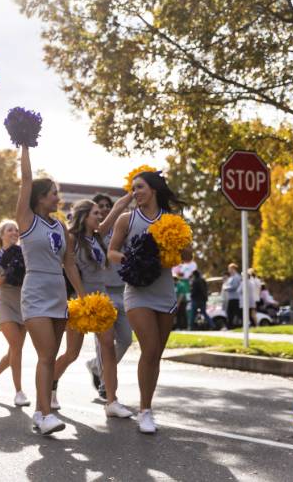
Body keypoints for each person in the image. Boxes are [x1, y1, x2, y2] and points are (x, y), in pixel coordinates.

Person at [108, 170, 187, 434]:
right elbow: (112, 251)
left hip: (165, 292)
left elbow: (187, 254)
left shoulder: (172, 219)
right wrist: (132, 259)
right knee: (149, 348)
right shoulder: (126, 219)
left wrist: (175, 247)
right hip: (137, 291)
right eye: (133, 188)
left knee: (155, 355)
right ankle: (144, 412)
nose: (135, 192)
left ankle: (147, 407)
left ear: (153, 189)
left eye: (140, 187)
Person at [15, 144, 85, 436]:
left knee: (51, 354)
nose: (58, 197)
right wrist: (25, 145)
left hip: (58, 293)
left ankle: (40, 409)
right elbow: (27, 180)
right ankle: (44, 415)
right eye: (54, 193)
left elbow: (69, 263)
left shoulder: (60, 227)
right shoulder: (26, 221)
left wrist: (82, 297)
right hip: (35, 291)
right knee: (45, 355)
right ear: (40, 198)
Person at [51, 195, 132, 418]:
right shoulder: (72, 239)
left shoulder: (99, 235)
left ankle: (112, 401)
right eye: (95, 213)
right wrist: (82, 295)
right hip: (82, 301)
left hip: (102, 299)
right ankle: (50, 386)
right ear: (84, 216)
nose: (100, 216)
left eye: (100, 213)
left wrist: (131, 194)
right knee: (72, 353)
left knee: (107, 346)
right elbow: (70, 268)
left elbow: (117, 208)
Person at [86, 194, 135, 401]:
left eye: (108, 206)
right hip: (102, 292)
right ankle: (106, 387)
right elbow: (119, 208)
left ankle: (97, 367)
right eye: (100, 207)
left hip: (122, 290)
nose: (105, 210)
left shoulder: (123, 229)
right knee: (103, 343)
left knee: (125, 339)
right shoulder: (97, 234)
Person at [0, 219, 30, 407]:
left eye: (17, 230)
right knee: (17, 347)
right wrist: (8, 272)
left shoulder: (25, 254)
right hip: (4, 304)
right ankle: (19, 392)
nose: (14, 233)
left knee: (14, 349)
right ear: (2, 235)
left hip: (23, 304)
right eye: (10, 230)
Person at [223, 263, 242, 329]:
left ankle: (229, 326)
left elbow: (235, 286)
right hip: (231, 297)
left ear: (233, 269)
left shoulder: (237, 277)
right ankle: (229, 326)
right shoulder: (231, 277)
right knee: (231, 312)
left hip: (235, 297)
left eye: (229, 268)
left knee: (235, 312)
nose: (228, 270)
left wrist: (226, 288)